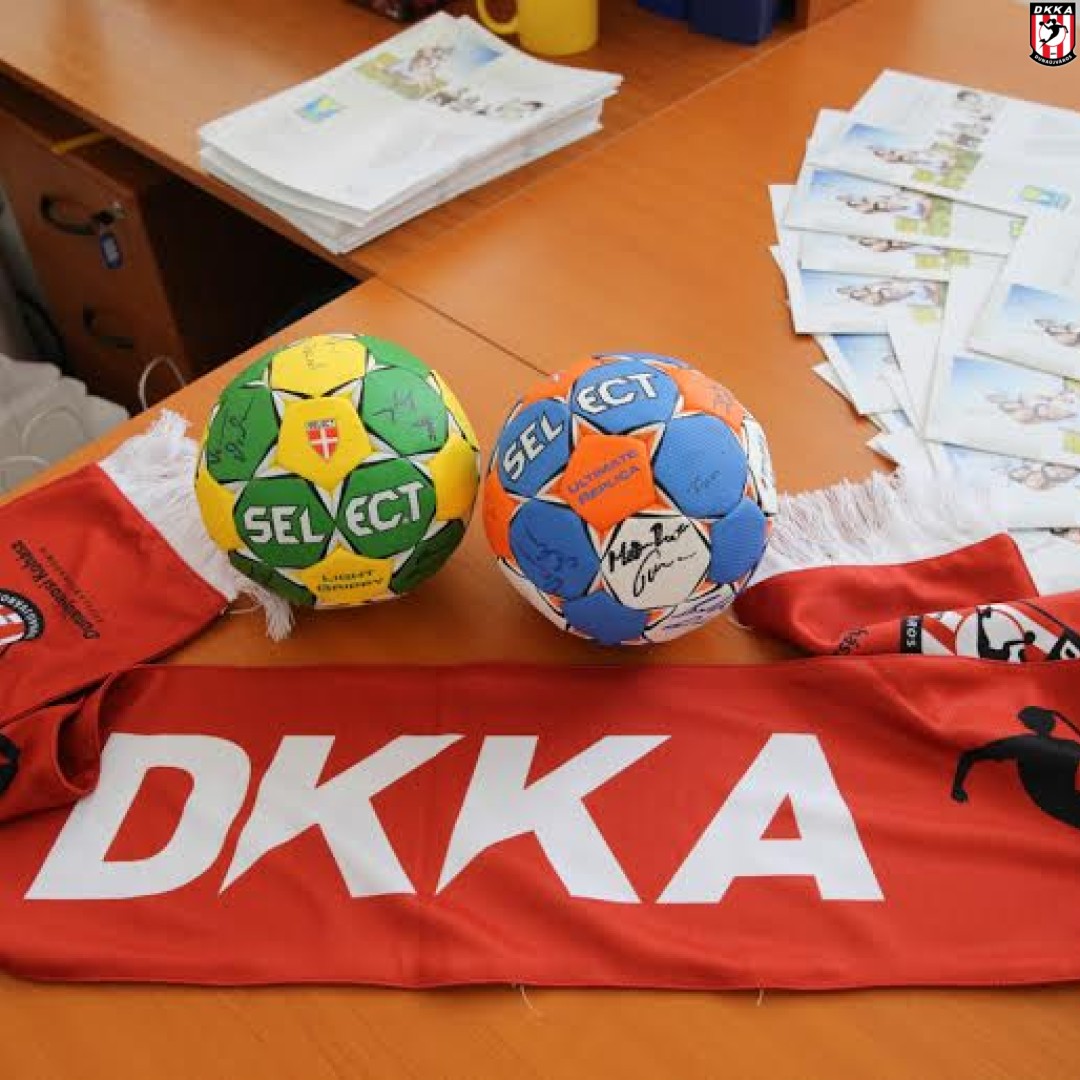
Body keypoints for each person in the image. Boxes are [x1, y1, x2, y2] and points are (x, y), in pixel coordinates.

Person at [952, 706, 1080, 830]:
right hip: (1060, 804)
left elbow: (969, 756)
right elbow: (970, 756)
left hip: (1064, 801)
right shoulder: (1026, 745)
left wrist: (957, 787)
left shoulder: (1066, 746)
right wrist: (957, 787)